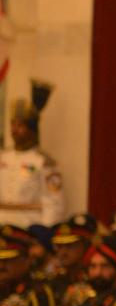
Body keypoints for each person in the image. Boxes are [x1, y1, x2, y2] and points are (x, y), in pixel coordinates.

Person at [0, 80, 65, 227]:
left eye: (20, 125)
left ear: (31, 129)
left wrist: (44, 233)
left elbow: (54, 203)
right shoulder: (3, 157)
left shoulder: (44, 162)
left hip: (27, 227)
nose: (14, 130)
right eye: (12, 124)